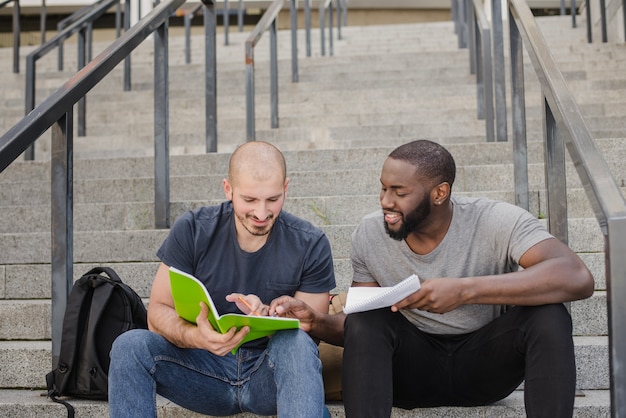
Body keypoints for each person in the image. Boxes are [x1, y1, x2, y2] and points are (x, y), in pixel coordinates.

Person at [270, 139, 595, 418]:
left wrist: (466, 290)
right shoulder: (370, 234)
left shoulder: (495, 221)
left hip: (486, 368)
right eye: (383, 188)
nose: (386, 201)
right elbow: (357, 329)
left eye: (400, 192)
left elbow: (576, 276)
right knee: (366, 320)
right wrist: (317, 321)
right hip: (411, 374)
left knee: (549, 313)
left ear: (440, 193)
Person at [109, 141, 336, 417]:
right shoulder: (193, 229)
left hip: (269, 378)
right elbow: (157, 313)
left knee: (297, 342)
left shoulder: (310, 243)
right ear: (228, 189)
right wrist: (197, 337)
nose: (262, 214)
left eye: (273, 199)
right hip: (202, 371)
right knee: (129, 347)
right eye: (250, 200)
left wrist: (269, 316)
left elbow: (310, 333)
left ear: (286, 188)